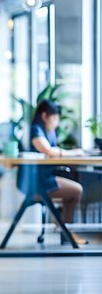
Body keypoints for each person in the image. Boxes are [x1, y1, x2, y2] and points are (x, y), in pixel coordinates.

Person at [29, 99, 86, 244]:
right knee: (77, 190)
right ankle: (66, 231)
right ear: (44, 116)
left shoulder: (48, 132)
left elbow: (53, 151)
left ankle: (65, 230)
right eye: (54, 118)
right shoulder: (36, 130)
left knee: (74, 189)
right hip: (39, 182)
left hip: (45, 178)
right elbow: (48, 151)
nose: (56, 122)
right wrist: (73, 153)